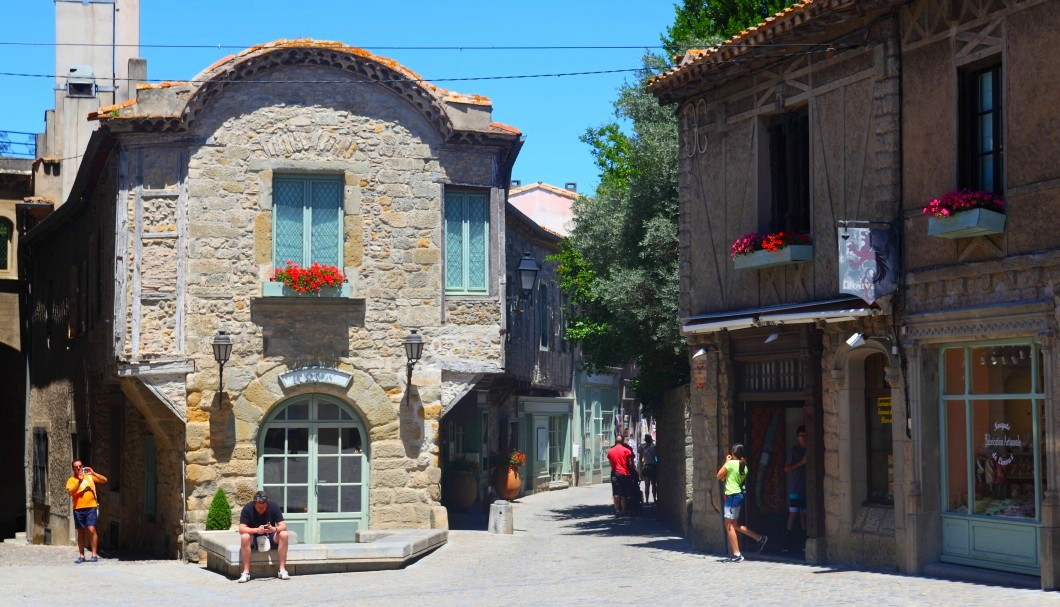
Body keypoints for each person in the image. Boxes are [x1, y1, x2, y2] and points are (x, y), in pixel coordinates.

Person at [716, 443, 767, 562]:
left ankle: (737, 554)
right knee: (734, 524)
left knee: (728, 525)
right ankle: (759, 538)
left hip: (732, 496)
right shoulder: (744, 466)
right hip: (738, 495)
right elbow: (728, 478)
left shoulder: (731, 464)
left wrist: (726, 462)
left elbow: (719, 475)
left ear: (733, 454)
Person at [237, 490, 291, 582]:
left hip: (270, 536)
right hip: (253, 537)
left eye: (263, 507)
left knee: (284, 534)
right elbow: (241, 529)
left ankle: (282, 570)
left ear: (267, 503)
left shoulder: (273, 507)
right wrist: (256, 530)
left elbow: (283, 526)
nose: (261, 510)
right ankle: (246, 572)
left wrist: (274, 529)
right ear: (254, 504)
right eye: (258, 508)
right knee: (245, 536)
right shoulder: (248, 508)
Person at [65, 460, 108, 563]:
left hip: (91, 507)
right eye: (76, 467)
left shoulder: (89, 477)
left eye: (80, 466)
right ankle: (81, 555)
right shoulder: (72, 480)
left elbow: (104, 480)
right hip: (78, 509)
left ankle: (94, 554)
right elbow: (71, 491)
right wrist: (79, 481)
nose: (79, 468)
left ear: (83, 466)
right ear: (73, 469)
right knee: (81, 532)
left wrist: (93, 473)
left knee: (91, 529)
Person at [783, 426, 808, 550]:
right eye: (801, 436)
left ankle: (804, 543)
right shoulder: (793, 451)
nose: (804, 438)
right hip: (795, 488)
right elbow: (786, 468)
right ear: (797, 437)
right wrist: (801, 463)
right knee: (793, 514)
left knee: (804, 515)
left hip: (807, 489)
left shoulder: (810, 450)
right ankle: (787, 543)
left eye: (805, 436)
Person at [607, 434, 634, 516]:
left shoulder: (610, 451)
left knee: (615, 492)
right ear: (622, 441)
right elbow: (630, 463)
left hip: (615, 473)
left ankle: (617, 510)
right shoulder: (626, 450)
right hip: (624, 473)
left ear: (615, 441)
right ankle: (624, 510)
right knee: (623, 493)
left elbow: (611, 464)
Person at [638, 435, 658, 505]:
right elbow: (657, 456)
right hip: (653, 466)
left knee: (647, 484)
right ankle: (655, 499)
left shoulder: (642, 448)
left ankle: (646, 500)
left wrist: (641, 466)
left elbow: (640, 459)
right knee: (653, 484)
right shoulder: (654, 447)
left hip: (646, 466)